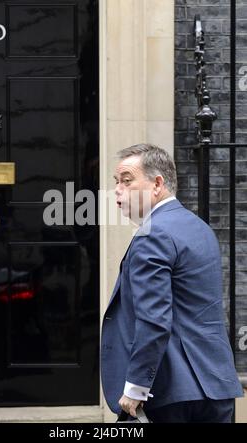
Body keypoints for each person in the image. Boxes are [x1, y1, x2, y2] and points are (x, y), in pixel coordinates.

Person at [101, 143, 244, 423]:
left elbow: (154, 320)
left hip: (168, 395)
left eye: (127, 181)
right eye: (116, 182)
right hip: (215, 387)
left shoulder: (152, 235)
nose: (117, 189)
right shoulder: (199, 228)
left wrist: (136, 387)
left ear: (157, 184)